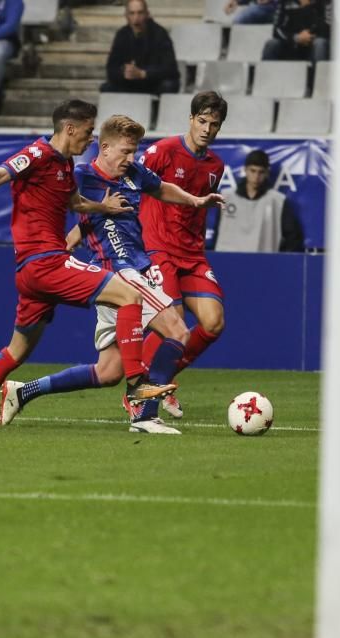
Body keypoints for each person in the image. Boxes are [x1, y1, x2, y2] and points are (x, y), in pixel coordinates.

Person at [0, 100, 178, 428]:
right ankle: (137, 385)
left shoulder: (65, 165)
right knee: (129, 295)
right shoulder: (38, 154)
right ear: (69, 128)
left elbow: (75, 202)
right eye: (87, 132)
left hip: (32, 274)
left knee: (16, 351)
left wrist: (104, 208)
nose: (90, 140)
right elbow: (0, 174)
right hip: (46, 262)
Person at [0, 114, 225, 434]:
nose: (132, 158)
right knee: (177, 331)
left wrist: (196, 200)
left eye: (134, 151)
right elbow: (70, 208)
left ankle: (23, 391)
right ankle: (145, 414)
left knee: (108, 372)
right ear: (104, 147)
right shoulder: (81, 175)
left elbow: (162, 188)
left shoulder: (132, 173)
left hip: (127, 275)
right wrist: (58, 253)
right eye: (126, 151)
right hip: (117, 273)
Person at [137, 90, 229, 420]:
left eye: (213, 124)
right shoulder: (163, 151)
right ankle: (143, 391)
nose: (206, 128)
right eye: (202, 121)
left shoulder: (217, 166)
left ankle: (165, 376)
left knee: (213, 321)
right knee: (172, 323)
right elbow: (131, 182)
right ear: (191, 119)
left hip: (192, 253)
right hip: (158, 246)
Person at [213, 149, 304, 253]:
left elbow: (293, 238)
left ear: (266, 173)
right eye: (253, 171)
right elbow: (217, 233)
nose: (256, 177)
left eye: (261, 172)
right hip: (227, 261)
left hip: (264, 264)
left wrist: (278, 261)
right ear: (245, 170)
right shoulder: (226, 197)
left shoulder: (277, 201)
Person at [101, 0, 179, 95]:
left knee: (169, 86)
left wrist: (143, 73)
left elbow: (170, 69)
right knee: (106, 87)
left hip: (153, 83)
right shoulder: (122, 34)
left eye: (140, 13)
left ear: (147, 14)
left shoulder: (160, 34)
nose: (136, 18)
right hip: (130, 83)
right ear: (126, 16)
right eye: (132, 13)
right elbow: (111, 68)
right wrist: (125, 72)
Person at [261, 0, 329, 63]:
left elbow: (326, 27)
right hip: (290, 44)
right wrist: (296, 38)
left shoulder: (322, 2)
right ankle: (266, 74)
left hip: (312, 42)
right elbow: (277, 30)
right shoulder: (284, 2)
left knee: (320, 43)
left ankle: (319, 75)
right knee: (272, 44)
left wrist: (308, 6)